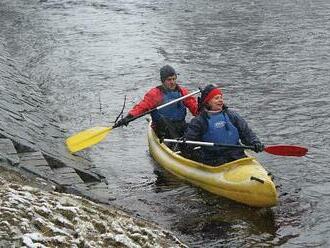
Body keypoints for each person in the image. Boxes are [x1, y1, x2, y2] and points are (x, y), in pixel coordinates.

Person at [181, 84, 264, 166]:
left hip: (236, 155)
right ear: (208, 102)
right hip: (213, 159)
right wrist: (185, 146)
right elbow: (189, 142)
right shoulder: (200, 121)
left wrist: (255, 143)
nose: (220, 100)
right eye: (216, 98)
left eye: (221, 97)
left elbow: (246, 132)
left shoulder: (231, 115)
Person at [115, 65, 198, 138]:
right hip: (162, 128)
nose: (172, 82)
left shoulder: (182, 92)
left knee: (196, 125)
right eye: (169, 80)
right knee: (164, 123)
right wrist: (128, 117)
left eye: (174, 79)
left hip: (180, 125)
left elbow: (195, 108)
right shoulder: (155, 93)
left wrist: (204, 110)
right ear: (163, 81)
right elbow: (142, 107)